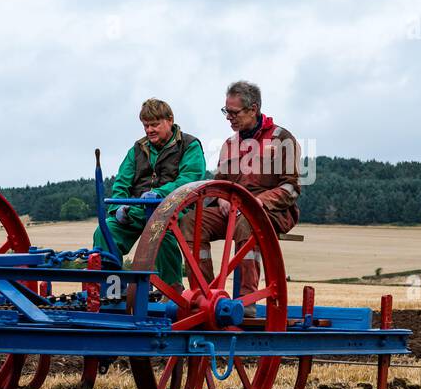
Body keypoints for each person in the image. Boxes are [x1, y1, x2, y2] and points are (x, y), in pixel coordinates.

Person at [182, 80, 302, 304]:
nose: (229, 117)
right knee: (191, 221)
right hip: (233, 209)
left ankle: (246, 302)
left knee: (248, 220)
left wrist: (257, 201)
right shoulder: (230, 143)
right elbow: (219, 182)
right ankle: (205, 298)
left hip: (272, 211)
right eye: (226, 111)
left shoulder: (282, 139)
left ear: (253, 109)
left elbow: (291, 188)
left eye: (233, 112)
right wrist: (220, 200)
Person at [93, 98, 205, 288]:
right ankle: (111, 290)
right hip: (137, 209)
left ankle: (170, 291)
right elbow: (122, 182)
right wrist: (118, 208)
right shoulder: (137, 149)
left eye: (155, 124)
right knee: (106, 231)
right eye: (146, 125)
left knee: (161, 232)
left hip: (173, 208)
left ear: (170, 120)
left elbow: (189, 179)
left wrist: (160, 193)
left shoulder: (189, 145)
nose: (149, 130)